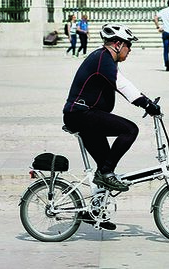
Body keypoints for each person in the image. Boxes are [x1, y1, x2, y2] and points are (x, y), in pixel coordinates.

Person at [62, 23, 160, 194]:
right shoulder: (102, 58)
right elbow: (122, 84)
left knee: (105, 165)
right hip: (81, 115)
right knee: (130, 130)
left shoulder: (103, 58)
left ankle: (97, 207)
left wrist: (146, 101)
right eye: (128, 44)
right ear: (118, 44)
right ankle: (105, 173)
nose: (130, 49)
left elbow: (121, 84)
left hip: (82, 116)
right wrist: (146, 104)